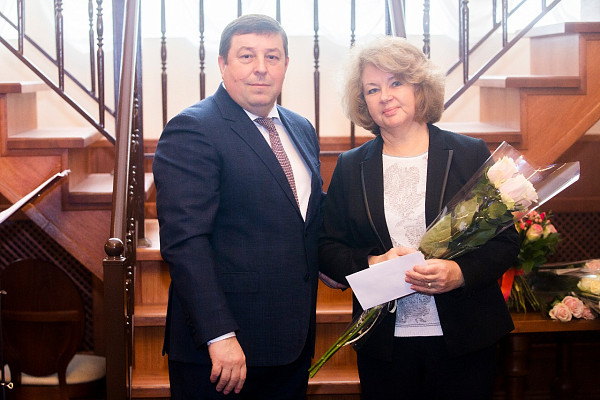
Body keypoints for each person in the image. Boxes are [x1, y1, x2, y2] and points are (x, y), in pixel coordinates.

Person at [318, 36, 520, 399]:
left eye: (396, 82)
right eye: (372, 89)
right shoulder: (350, 166)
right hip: (384, 344)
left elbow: (506, 241)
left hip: (465, 337)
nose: (385, 96)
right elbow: (327, 247)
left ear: (419, 87)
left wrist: (459, 273)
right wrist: (373, 262)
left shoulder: (468, 153)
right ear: (363, 101)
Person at [153, 14, 328, 399]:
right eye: (247, 56)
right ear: (223, 64)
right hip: (223, 354)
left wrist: (354, 263)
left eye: (272, 56)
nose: (261, 68)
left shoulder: (300, 128)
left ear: (286, 65)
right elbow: (185, 244)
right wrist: (219, 335)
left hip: (291, 345)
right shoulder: (193, 129)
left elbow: (308, 221)